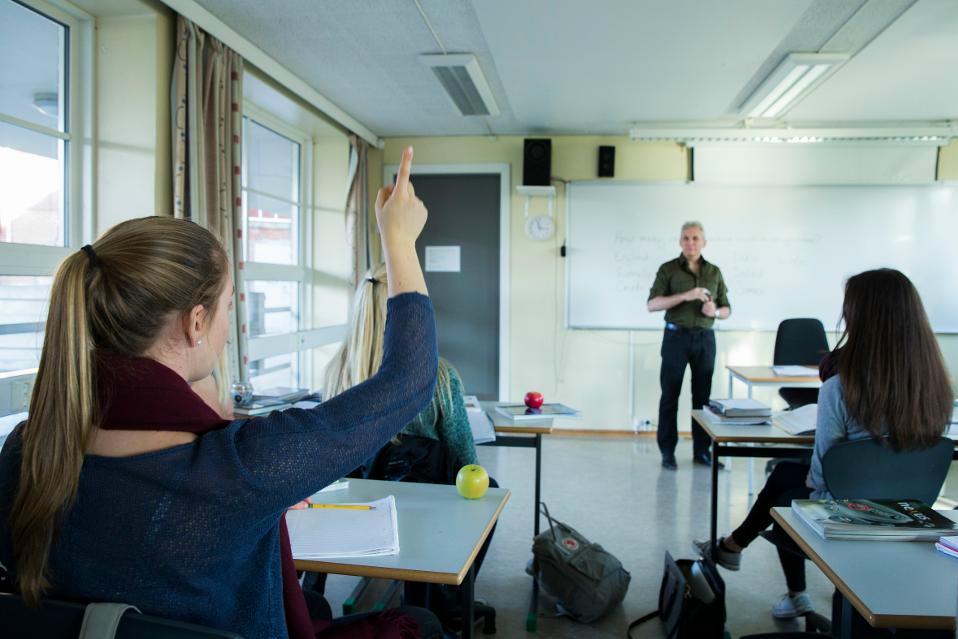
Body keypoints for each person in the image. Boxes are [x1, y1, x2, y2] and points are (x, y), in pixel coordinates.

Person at [0, 147, 445, 639]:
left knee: (314, 598)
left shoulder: (26, 449)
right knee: (417, 624)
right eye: (229, 306)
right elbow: (408, 381)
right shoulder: (240, 469)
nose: (229, 326)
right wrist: (398, 242)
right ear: (196, 322)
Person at [693, 268, 952, 619]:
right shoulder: (938, 387)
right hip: (914, 513)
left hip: (847, 516)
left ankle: (767, 572)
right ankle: (732, 547)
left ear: (859, 318)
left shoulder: (841, 387)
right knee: (785, 473)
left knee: (784, 500)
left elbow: (821, 479)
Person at [323, 261, 497, 630]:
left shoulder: (337, 371)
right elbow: (467, 462)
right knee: (489, 493)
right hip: (423, 512)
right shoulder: (438, 376)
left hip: (356, 509)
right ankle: (449, 599)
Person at [647, 221, 731, 470]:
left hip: (705, 338)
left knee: (702, 399)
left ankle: (702, 452)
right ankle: (667, 452)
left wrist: (714, 310)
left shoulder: (714, 272)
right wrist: (686, 295)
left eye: (695, 238)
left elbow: (727, 309)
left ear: (704, 242)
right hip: (676, 338)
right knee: (670, 395)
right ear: (680, 242)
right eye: (686, 238)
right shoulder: (668, 270)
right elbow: (652, 304)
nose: (690, 242)